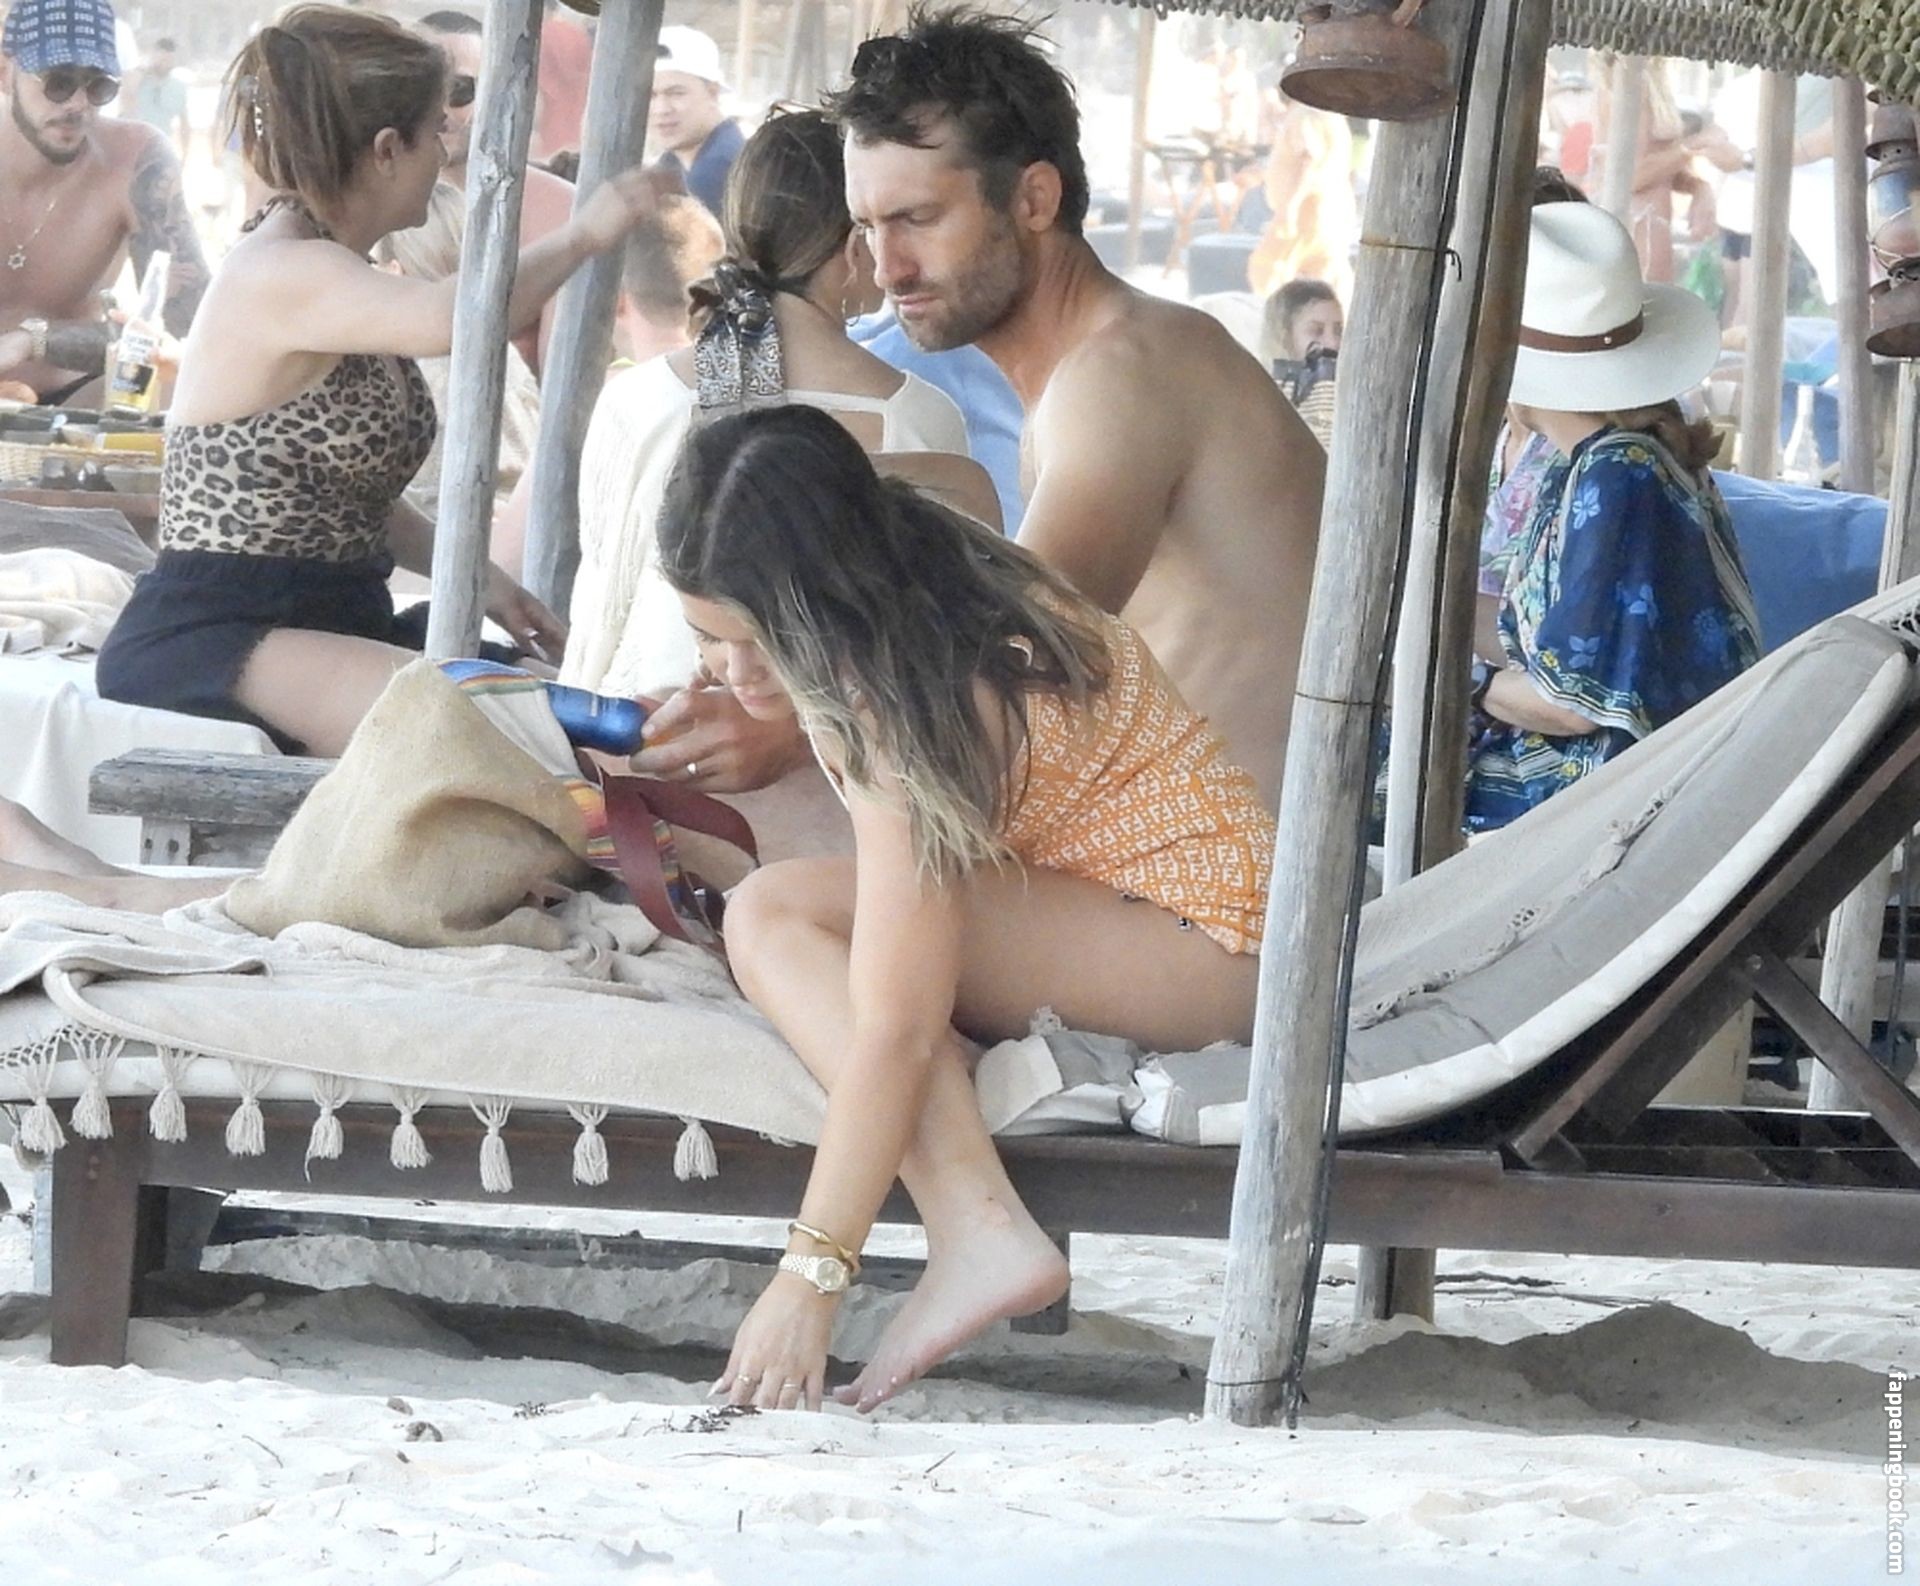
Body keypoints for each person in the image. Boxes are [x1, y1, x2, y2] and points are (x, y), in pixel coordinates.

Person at [657, 405, 1272, 1412]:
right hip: (1193, 912)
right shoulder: (918, 542)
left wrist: (810, 1274)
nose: (734, 671)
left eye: (759, 639)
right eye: (706, 638)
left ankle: (978, 1226)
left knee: (776, 920)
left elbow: (897, 1030)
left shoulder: (895, 699)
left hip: (1202, 943)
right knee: (795, 915)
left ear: (824, 593)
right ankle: (980, 1226)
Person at [92, 3, 654, 759]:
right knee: (528, 735)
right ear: (388, 149)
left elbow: (341, 500)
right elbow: (453, 318)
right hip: (220, 631)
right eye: (435, 133)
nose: (445, 151)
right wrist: (585, 233)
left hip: (327, 617)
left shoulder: (326, 265)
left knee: (588, 721)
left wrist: (489, 583)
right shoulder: (281, 269)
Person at [817, 5, 1322, 813]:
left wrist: (790, 723)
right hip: (1171, 840)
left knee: (775, 874)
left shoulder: (1119, 375)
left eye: (917, 219)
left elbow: (1005, 674)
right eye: (869, 228)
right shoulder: (1108, 363)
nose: (888, 269)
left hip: (1231, 869)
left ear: (1034, 200)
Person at [563, 108, 992, 767]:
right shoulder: (915, 417)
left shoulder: (638, 397)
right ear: (855, 246)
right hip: (837, 769)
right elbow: (937, 650)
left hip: (647, 747)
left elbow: (598, 612)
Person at [1465, 203, 1761, 832]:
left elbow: (1572, 706)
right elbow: (1533, 638)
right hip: (1633, 782)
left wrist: (1460, 682)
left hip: (1616, 802)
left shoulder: (1619, 472)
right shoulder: (1586, 462)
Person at [0, 0, 209, 404]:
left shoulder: (135, 160)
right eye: (58, 82)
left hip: (78, 399)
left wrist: (33, 340)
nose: (78, 104)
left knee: (177, 389)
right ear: (5, 73)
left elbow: (189, 330)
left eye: (98, 86)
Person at [417, 8, 576, 376]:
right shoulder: (368, 203)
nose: (440, 109)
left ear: (495, 90)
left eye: (459, 90)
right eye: (422, 89)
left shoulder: (560, 210)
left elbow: (562, 375)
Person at [648, 26, 744, 219]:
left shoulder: (720, 171)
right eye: (651, 95)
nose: (661, 109)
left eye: (676, 93)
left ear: (712, 93)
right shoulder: (672, 164)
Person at [1261, 277, 1341, 448]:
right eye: (1316, 331)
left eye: (1338, 330)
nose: (1333, 343)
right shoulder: (1262, 403)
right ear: (1284, 338)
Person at [128, 35, 189, 161]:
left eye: (169, 59)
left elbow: (184, 122)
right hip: (134, 146)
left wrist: (185, 153)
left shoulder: (178, 87)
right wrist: (143, 71)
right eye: (162, 58)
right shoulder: (138, 80)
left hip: (161, 148)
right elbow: (127, 97)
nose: (165, 63)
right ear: (153, 56)